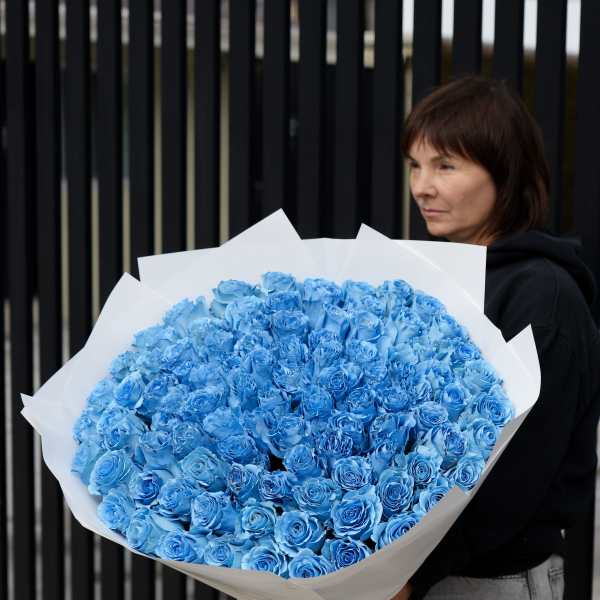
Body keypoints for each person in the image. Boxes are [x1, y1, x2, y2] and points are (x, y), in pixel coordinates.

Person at [393, 76, 600, 599]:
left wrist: (410, 575)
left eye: (446, 165)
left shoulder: (543, 296)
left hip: (490, 581)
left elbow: (518, 477)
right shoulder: (433, 280)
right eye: (416, 165)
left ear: (504, 175)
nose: (422, 187)